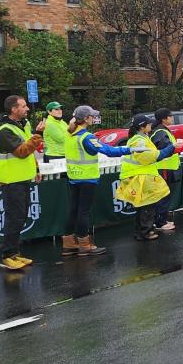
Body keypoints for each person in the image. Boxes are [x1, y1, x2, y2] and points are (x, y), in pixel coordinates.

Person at [62, 105, 133, 256]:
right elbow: (108, 151)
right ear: (86, 119)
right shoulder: (87, 137)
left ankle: (68, 243)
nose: (94, 118)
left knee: (74, 210)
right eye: (92, 116)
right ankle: (84, 244)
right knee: (84, 212)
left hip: (74, 177)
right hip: (87, 179)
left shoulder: (69, 135)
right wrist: (130, 149)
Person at [0, 95, 45, 271]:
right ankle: (7, 256)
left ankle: (14, 253)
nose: (27, 109)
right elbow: (22, 151)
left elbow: (29, 152)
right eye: (23, 106)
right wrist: (38, 134)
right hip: (11, 180)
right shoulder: (5, 131)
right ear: (14, 109)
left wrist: (36, 169)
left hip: (22, 178)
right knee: (14, 218)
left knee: (21, 217)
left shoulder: (21, 126)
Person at [124, 114, 177, 238]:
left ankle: (142, 230)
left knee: (143, 205)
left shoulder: (140, 138)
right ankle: (144, 232)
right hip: (141, 175)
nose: (151, 125)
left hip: (139, 174)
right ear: (142, 127)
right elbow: (152, 157)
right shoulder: (140, 141)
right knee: (147, 205)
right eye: (148, 124)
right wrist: (172, 148)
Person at [150, 109, 182, 232]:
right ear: (164, 119)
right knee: (163, 195)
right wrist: (182, 147)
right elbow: (166, 149)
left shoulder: (161, 130)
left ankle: (160, 220)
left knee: (162, 195)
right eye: (170, 117)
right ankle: (160, 222)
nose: (172, 119)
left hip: (164, 167)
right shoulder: (161, 132)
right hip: (163, 168)